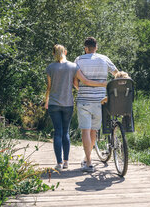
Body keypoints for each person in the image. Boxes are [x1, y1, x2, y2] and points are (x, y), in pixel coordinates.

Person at [45, 44, 106, 173]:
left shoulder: (50, 68)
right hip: (68, 104)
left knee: (58, 132)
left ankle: (59, 163)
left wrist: (46, 101)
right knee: (65, 132)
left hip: (54, 104)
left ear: (53, 54)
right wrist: (101, 84)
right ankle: (66, 162)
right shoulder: (73, 66)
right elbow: (83, 81)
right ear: (65, 52)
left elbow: (49, 87)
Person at [74, 37, 118, 172]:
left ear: (85, 48)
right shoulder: (104, 59)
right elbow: (117, 74)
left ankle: (88, 162)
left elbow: (75, 82)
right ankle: (88, 158)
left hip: (84, 100)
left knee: (85, 131)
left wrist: (80, 89)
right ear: (96, 47)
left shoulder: (79, 60)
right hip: (100, 101)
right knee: (94, 130)